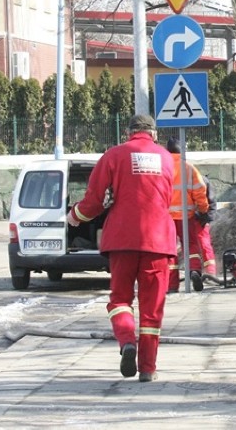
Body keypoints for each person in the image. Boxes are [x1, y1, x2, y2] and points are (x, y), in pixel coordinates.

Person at [66, 114, 175, 383]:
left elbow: (93, 202)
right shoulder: (166, 159)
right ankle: (148, 368)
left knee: (120, 300)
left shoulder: (113, 156)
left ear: (128, 132)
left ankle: (127, 342)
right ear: (154, 134)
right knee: (152, 309)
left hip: (123, 239)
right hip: (158, 241)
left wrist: (74, 217)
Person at [165, 137, 210, 292]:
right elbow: (200, 190)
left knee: (169, 250)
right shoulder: (189, 168)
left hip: (166, 218)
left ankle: (171, 285)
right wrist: (203, 210)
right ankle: (195, 271)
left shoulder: (162, 168)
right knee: (190, 245)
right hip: (187, 216)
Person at [196, 174, 218, 277]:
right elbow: (212, 200)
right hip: (199, 217)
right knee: (204, 244)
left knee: (200, 244)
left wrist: (207, 218)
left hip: (197, 218)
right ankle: (209, 271)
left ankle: (207, 271)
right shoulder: (202, 179)